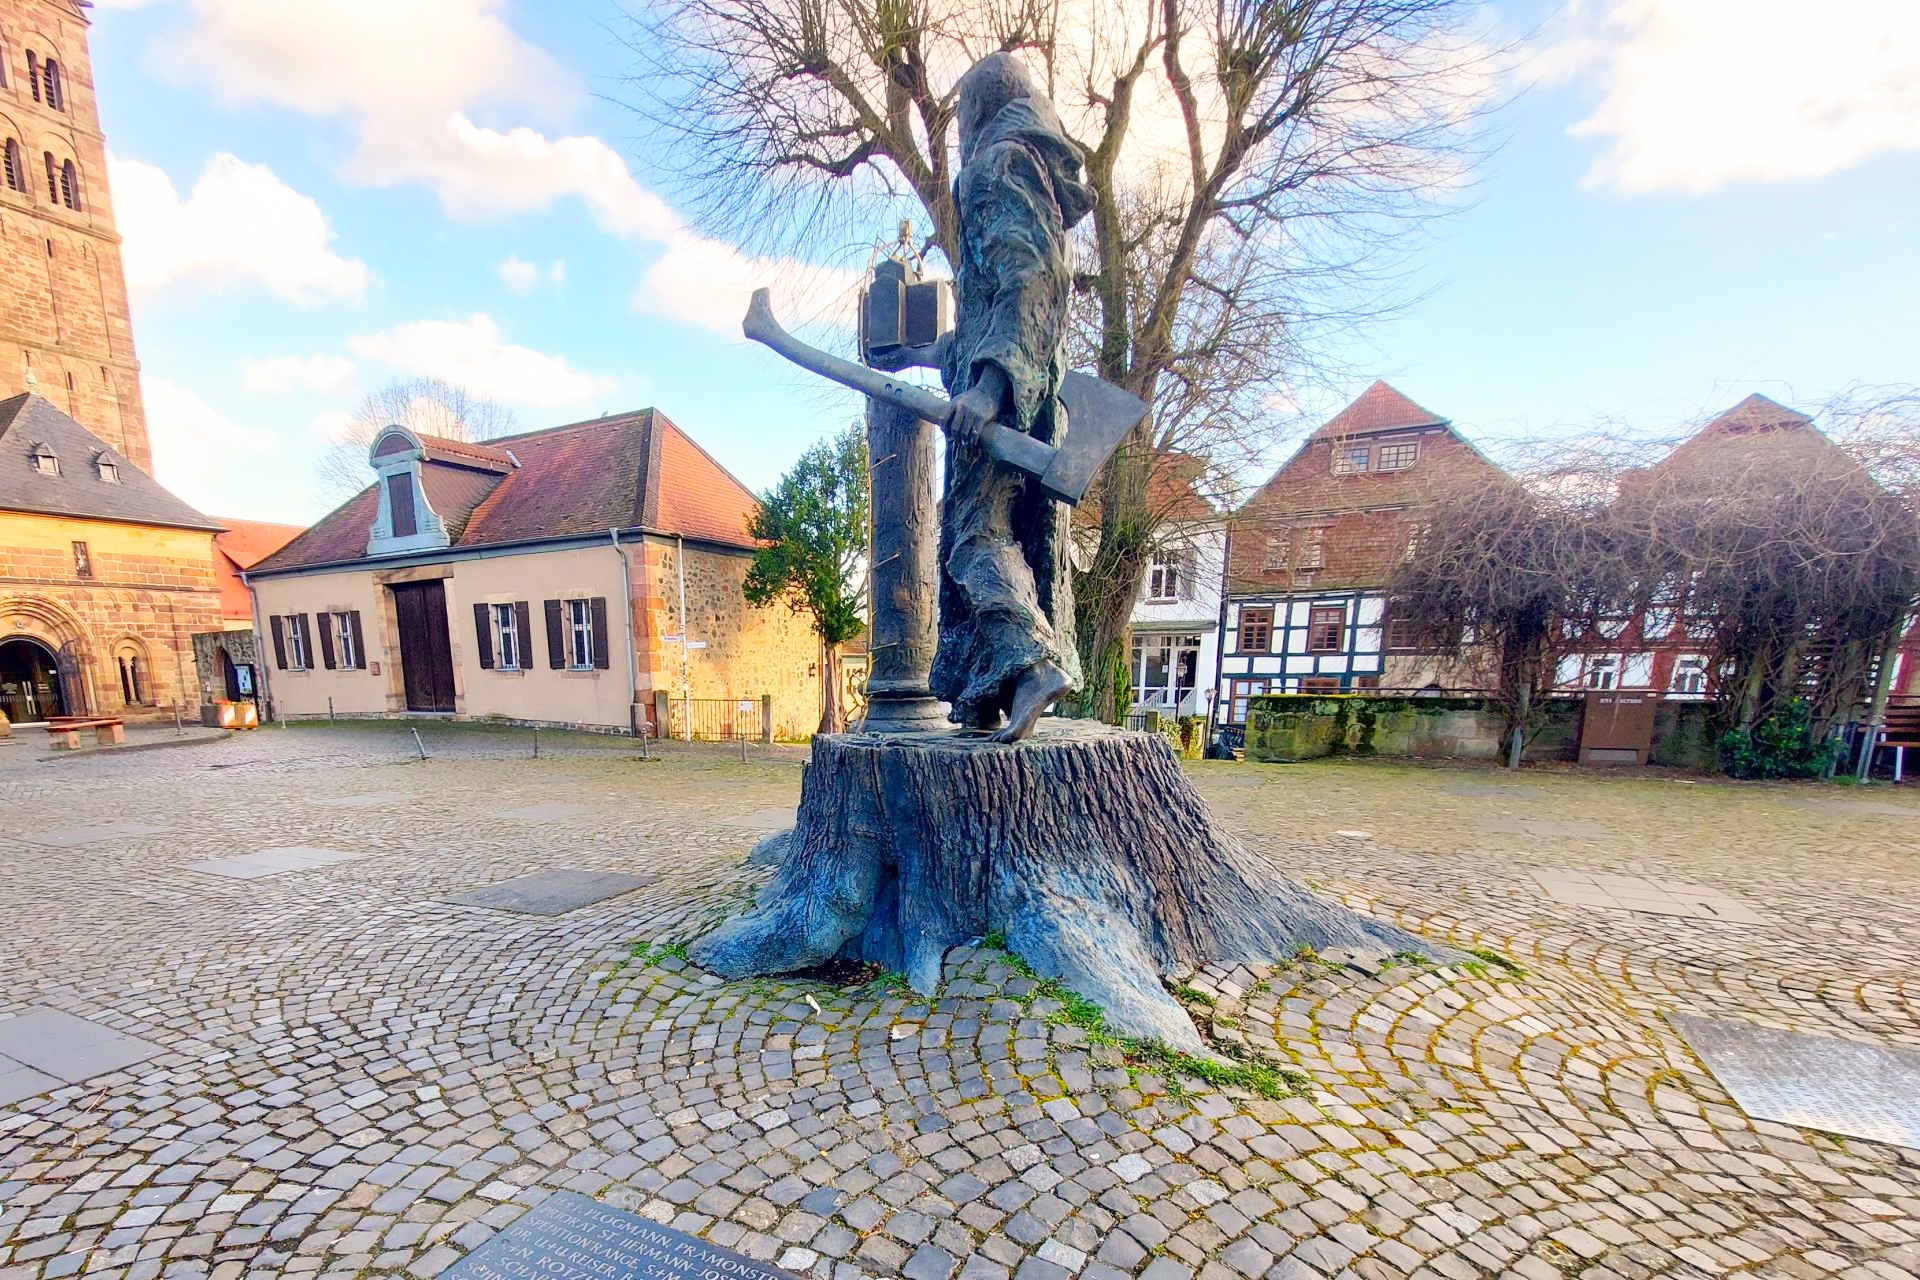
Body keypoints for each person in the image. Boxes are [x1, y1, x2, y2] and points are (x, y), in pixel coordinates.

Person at [873, 52, 1094, 742]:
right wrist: (923, 355)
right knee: (1005, 536)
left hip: (1003, 396)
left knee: (973, 537)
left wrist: (991, 387)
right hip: (1018, 388)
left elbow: (1030, 282)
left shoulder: (995, 168)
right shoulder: (1028, 171)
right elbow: (989, 310)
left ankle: (1029, 661)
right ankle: (986, 688)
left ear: (978, 109)